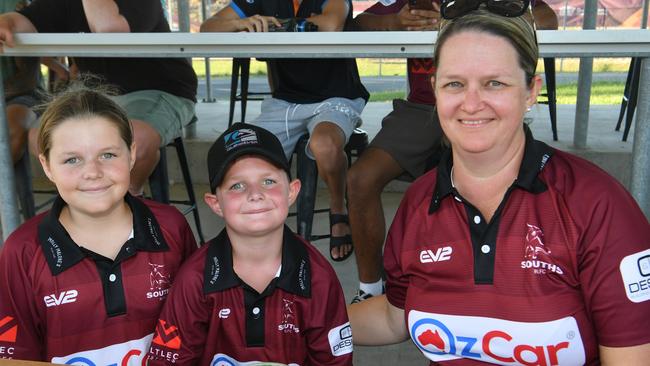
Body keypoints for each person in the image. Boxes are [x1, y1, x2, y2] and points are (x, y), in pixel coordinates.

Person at [348, 2, 650, 364]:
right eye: (455, 83)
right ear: (435, 90)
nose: (472, 103)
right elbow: (394, 317)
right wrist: (295, 324)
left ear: (529, 91)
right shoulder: (418, 203)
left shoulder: (597, 206)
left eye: (495, 83)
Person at [0, 84, 197, 363]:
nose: (92, 172)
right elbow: (13, 358)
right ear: (47, 166)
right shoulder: (22, 251)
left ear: (131, 154)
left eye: (107, 155)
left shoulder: (171, 227)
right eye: (72, 160)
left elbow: (197, 329)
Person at [147, 123, 353, 365]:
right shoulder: (195, 279)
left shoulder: (318, 278)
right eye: (237, 185)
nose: (255, 194)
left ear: (292, 191)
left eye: (268, 181)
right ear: (215, 203)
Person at [201, 0, 369, 262]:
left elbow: (332, 25)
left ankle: (338, 209)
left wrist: (277, 25)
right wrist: (240, 23)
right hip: (284, 101)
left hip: (336, 96)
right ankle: (261, 223)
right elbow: (208, 28)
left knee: (323, 145)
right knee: (239, 154)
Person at [0, 0, 198, 196]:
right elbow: (23, 21)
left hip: (159, 88)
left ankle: (127, 203)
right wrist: (6, 22)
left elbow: (110, 31)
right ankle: (84, 204)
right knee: (41, 137)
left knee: (135, 140)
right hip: (97, 91)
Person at [347, 0, 444, 303]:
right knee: (360, 179)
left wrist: (467, 19)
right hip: (423, 108)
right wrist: (395, 22)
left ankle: (488, 283)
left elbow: (546, 19)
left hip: (477, 100)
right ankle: (372, 289)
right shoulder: (413, 2)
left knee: (488, 181)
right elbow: (360, 23)